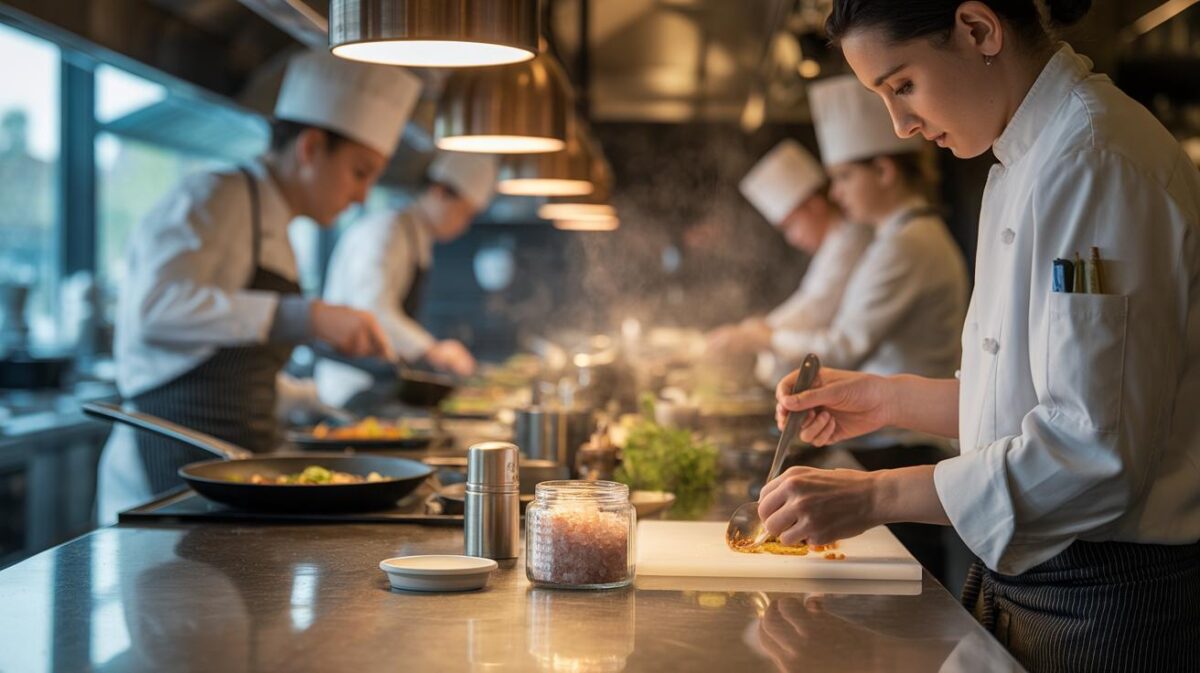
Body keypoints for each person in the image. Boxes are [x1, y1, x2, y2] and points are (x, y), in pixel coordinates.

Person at [764, 1, 1200, 670]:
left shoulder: (1093, 160)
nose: (902, 125)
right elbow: (1028, 402)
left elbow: (1089, 449)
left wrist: (875, 496)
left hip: (1110, 608)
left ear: (978, 29)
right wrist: (883, 397)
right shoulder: (1025, 159)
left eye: (902, 85)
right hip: (1050, 592)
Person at [96, 50, 423, 522]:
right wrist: (305, 316)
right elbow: (154, 312)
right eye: (360, 171)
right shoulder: (214, 196)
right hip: (168, 465)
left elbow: (232, 368)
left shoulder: (276, 226)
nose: (361, 196)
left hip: (236, 471)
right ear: (310, 148)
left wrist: (308, 401)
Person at [766, 75, 968, 386]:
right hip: (892, 425)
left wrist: (768, 339)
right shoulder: (902, 235)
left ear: (883, 171)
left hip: (904, 432)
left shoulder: (908, 244)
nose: (835, 193)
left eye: (844, 176)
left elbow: (844, 348)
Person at [314, 151, 498, 408]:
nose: (464, 225)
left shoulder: (416, 238)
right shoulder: (385, 232)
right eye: (464, 213)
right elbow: (371, 309)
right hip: (354, 384)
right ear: (439, 191)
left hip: (382, 380)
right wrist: (432, 349)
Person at [707, 139, 873, 387]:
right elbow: (809, 301)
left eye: (790, 225)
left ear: (814, 206)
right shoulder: (836, 241)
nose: (792, 238)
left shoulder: (851, 240)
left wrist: (757, 334)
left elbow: (817, 307)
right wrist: (756, 330)